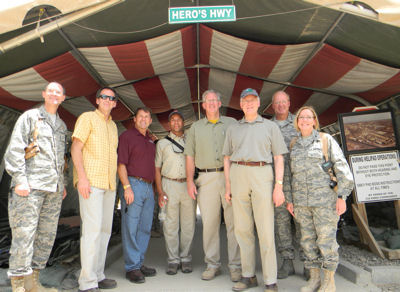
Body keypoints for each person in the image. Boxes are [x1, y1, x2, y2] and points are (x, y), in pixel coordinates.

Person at [223, 88, 287, 292]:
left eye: (252, 100)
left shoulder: (270, 127)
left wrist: (279, 186)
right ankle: (248, 275)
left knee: (266, 229)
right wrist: (228, 185)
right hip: (238, 173)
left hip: (262, 174)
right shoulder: (233, 128)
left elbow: (279, 157)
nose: (249, 104)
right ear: (240, 104)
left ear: (259, 103)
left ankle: (270, 279)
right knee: (242, 229)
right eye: (245, 101)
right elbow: (226, 157)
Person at [5, 82, 67, 292]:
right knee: (24, 235)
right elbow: (15, 149)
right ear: (44, 94)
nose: (53, 94)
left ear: (63, 98)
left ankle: (33, 283)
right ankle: (18, 286)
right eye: (50, 91)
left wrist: (62, 184)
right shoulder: (30, 117)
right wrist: (20, 179)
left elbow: (60, 159)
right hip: (29, 187)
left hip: (53, 190)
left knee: (46, 236)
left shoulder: (61, 126)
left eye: (58, 92)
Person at [286, 106, 354, 292]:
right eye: (302, 117)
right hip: (301, 204)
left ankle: (329, 282)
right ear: (297, 122)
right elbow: (288, 176)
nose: (305, 120)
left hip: (325, 203)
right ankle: (314, 279)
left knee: (326, 242)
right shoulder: (293, 145)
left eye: (309, 117)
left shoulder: (326, 141)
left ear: (314, 120)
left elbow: (342, 169)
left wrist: (342, 197)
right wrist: (290, 200)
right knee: (307, 242)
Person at [185, 89, 241, 282]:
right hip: (206, 179)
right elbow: (189, 156)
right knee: (209, 224)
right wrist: (190, 181)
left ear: (220, 103)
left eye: (214, 100)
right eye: (207, 101)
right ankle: (212, 264)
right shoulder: (195, 128)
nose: (211, 103)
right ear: (202, 105)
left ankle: (235, 265)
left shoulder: (233, 124)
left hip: (230, 178)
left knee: (234, 223)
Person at [71, 87, 119, 292]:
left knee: (105, 230)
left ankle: (98, 275)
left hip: (109, 183)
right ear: (97, 100)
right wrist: (81, 178)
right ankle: (87, 282)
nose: (108, 100)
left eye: (112, 98)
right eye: (104, 97)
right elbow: (75, 148)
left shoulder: (114, 126)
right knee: (91, 231)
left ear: (115, 103)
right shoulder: (87, 118)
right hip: (91, 182)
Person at [117, 107, 157, 284]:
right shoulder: (127, 136)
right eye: (140, 116)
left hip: (149, 187)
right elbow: (121, 164)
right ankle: (131, 267)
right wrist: (126, 187)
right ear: (134, 119)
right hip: (133, 184)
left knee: (145, 227)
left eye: (147, 117)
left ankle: (139, 263)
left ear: (150, 121)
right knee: (130, 227)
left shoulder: (150, 140)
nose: (143, 119)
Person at [155, 110, 196, 275]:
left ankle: (185, 258)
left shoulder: (190, 141)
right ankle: (173, 260)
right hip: (169, 184)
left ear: (183, 122)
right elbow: (157, 168)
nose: (176, 122)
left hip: (187, 185)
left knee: (188, 225)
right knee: (170, 225)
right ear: (169, 124)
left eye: (179, 120)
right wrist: (160, 191)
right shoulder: (162, 144)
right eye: (173, 120)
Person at [270, 91, 305, 279]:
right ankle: (287, 261)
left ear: (289, 103)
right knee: (281, 221)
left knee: (302, 221)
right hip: (278, 181)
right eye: (277, 103)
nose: (281, 105)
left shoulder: (300, 122)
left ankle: (308, 262)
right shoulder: (267, 126)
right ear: (273, 106)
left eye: (284, 102)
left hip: (299, 179)